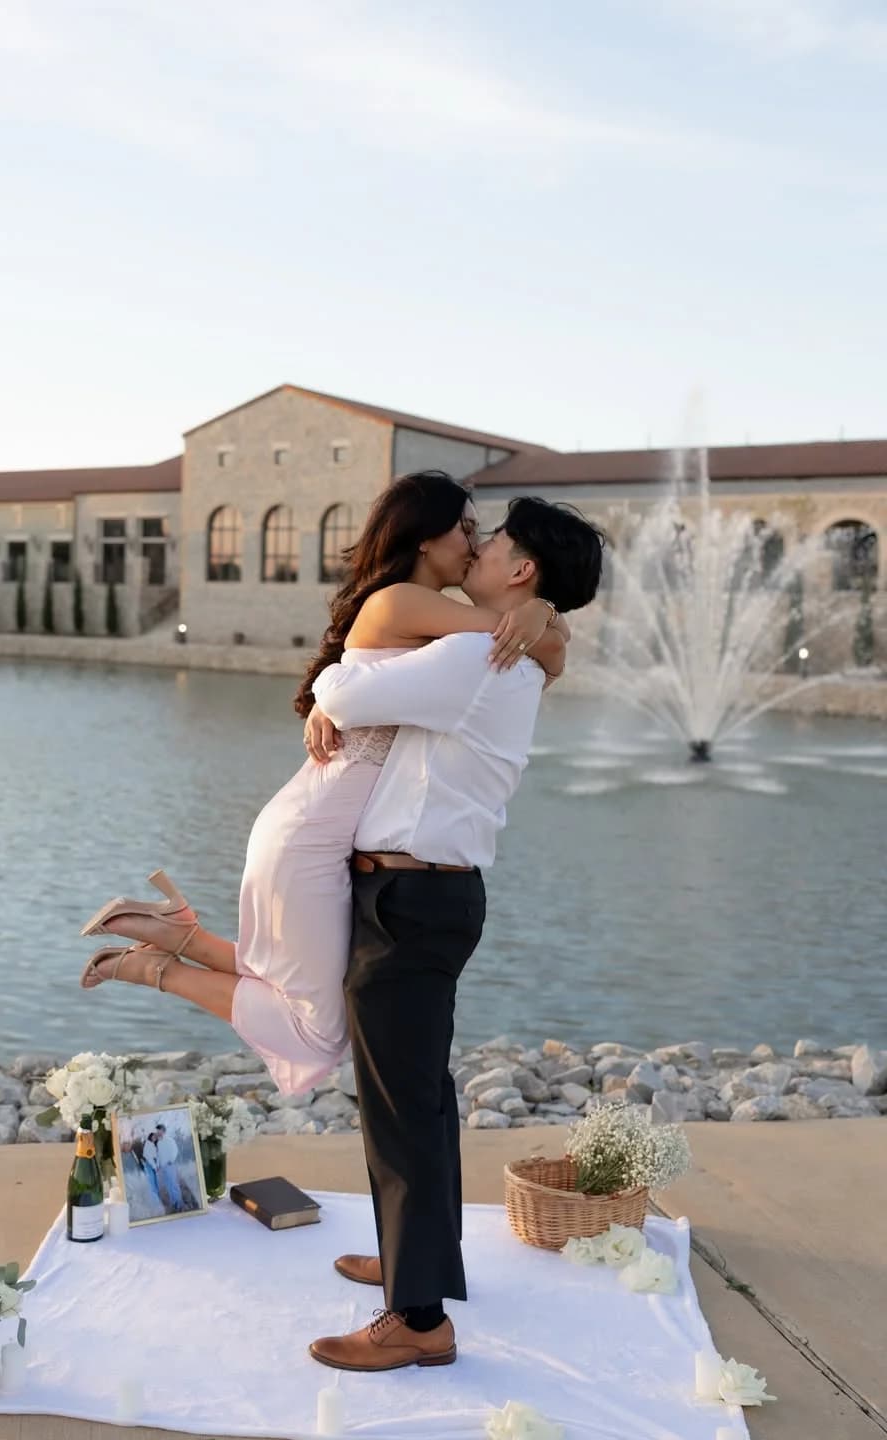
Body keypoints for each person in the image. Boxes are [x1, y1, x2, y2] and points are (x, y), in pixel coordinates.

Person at [78, 472, 568, 1099]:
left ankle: (177, 934)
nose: (475, 545)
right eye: (466, 529)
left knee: (294, 983)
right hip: (314, 830)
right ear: (424, 537)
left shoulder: (427, 616)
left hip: (320, 823)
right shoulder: (405, 601)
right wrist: (543, 613)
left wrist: (543, 615)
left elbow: (517, 648)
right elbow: (527, 643)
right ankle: (154, 969)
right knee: (319, 1032)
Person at [302, 496, 604, 1372]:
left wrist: (329, 699)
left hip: (408, 900)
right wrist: (543, 621)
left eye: (495, 541)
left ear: (522, 570)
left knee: (401, 1110)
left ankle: (419, 1319)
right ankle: (415, 1261)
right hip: (430, 896)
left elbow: (342, 687)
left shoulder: (476, 654)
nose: (479, 549)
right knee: (419, 1100)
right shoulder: (509, 653)